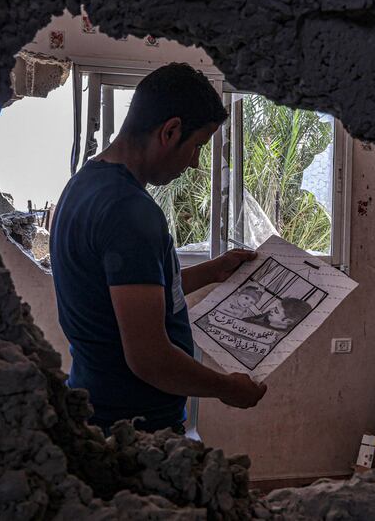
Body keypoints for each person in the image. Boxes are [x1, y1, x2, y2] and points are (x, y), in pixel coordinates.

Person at [50, 63, 267, 434]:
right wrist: (228, 388)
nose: (196, 162)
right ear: (170, 131)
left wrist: (215, 271)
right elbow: (150, 359)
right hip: (134, 428)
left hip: (96, 408)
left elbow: (133, 290)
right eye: (197, 146)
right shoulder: (130, 211)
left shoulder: (83, 185)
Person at [244, 297, 312, 331]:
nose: (271, 309)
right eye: (274, 308)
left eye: (276, 311)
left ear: (287, 321)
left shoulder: (274, 336)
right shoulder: (266, 317)